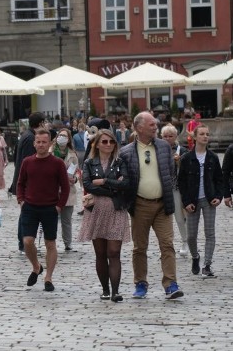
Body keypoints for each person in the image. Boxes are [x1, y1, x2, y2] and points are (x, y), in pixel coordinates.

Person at [119, 111, 184, 300]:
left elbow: (170, 173)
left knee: (167, 244)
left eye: (155, 125)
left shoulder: (164, 147)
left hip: (163, 205)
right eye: (152, 125)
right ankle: (140, 283)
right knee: (140, 247)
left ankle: (170, 283)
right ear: (139, 128)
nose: (156, 127)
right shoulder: (126, 152)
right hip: (140, 205)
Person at [80, 129, 131, 302]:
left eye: (111, 142)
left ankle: (116, 291)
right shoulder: (88, 162)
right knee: (100, 253)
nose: (108, 145)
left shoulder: (119, 161)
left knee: (114, 252)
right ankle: (105, 289)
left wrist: (104, 182)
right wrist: (112, 188)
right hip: (96, 211)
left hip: (116, 210)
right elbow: (88, 184)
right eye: (104, 141)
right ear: (97, 144)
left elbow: (125, 184)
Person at [16, 130, 70, 292]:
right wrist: (21, 200)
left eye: (44, 142)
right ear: (34, 143)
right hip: (30, 207)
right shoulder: (27, 162)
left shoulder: (57, 163)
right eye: (38, 142)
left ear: (50, 143)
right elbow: (20, 183)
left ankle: (48, 277)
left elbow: (65, 187)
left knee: (50, 243)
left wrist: (59, 206)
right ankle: (36, 266)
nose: (41, 145)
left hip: (50, 207)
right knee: (27, 241)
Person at [179, 125, 224, 279]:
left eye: (207, 134)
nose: (205, 136)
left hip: (209, 199)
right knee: (191, 235)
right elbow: (181, 183)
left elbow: (219, 178)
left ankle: (207, 265)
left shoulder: (212, 157)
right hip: (192, 201)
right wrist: (186, 202)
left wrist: (219, 196)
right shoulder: (186, 158)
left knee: (210, 233)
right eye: (202, 134)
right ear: (195, 137)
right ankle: (195, 256)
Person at [9, 112, 45, 252]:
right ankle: (23, 243)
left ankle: (24, 242)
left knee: (26, 213)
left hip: (22, 181)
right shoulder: (31, 138)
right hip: (27, 183)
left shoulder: (26, 135)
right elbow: (30, 163)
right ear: (41, 123)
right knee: (26, 213)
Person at [51, 127, 81, 252]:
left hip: (68, 190)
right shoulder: (50, 152)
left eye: (64, 136)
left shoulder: (72, 154)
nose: (61, 138)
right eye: (60, 135)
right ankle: (50, 241)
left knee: (66, 220)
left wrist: (75, 178)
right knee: (51, 219)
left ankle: (68, 243)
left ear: (68, 139)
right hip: (52, 191)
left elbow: (77, 171)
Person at [161, 124, 189, 257]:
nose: (167, 138)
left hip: (176, 187)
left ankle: (185, 241)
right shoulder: (158, 150)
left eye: (170, 136)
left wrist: (180, 161)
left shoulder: (181, 150)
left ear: (175, 137)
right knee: (162, 219)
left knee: (179, 217)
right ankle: (166, 246)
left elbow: (189, 168)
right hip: (161, 188)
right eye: (165, 136)